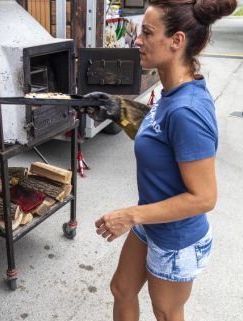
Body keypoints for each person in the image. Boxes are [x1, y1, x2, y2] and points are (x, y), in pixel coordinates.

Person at [83, 0, 237, 320]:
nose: (137, 40)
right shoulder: (172, 92)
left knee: (165, 313)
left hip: (177, 239)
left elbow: (205, 197)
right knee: (122, 289)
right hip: (154, 223)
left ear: (176, 41)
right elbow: (158, 133)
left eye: (147, 33)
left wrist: (131, 215)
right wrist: (118, 110)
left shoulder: (187, 110)